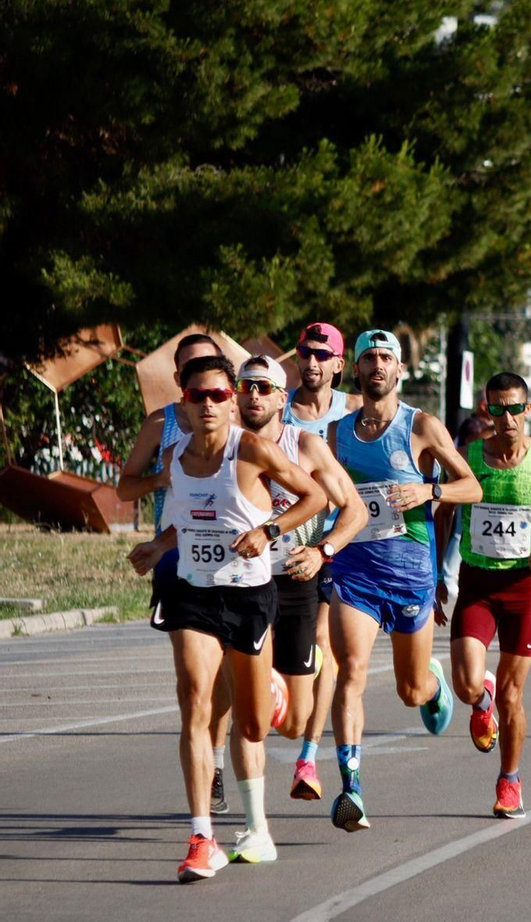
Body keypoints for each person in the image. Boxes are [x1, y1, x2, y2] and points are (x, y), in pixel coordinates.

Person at [126, 354, 327, 880]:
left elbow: (315, 496)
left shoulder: (253, 449)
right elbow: (190, 517)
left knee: (256, 723)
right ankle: (202, 838)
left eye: (220, 395)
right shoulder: (174, 457)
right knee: (195, 700)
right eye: (200, 396)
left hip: (250, 596)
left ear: (232, 398)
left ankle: (274, 700)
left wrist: (270, 531)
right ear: (184, 403)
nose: (211, 404)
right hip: (195, 594)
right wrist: (159, 544)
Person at [325, 329, 483, 833]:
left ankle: (434, 685)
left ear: (399, 371)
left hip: (411, 572)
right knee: (349, 670)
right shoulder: (338, 433)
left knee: (410, 692)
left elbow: (471, 487)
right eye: (368, 357)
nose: (376, 365)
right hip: (354, 571)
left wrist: (427, 490)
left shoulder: (422, 427)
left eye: (385, 358)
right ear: (356, 369)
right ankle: (352, 788)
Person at [434, 372, 531, 818]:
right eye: (497, 409)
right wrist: (437, 574)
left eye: (514, 408)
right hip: (477, 584)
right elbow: (443, 515)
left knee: (514, 696)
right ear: (487, 410)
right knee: (465, 683)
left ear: (528, 410)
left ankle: (510, 781)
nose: (507, 418)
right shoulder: (469, 456)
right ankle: (481, 703)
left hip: (523, 589)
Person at [232, 356, 364, 810]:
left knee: (294, 723)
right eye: (246, 386)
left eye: (264, 388)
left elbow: (355, 510)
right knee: (229, 706)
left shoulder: (305, 446)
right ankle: (242, 813)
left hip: (295, 581)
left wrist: (322, 551)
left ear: (281, 398)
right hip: (240, 586)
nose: (254, 395)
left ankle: (284, 679)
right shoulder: (223, 447)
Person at [117, 332, 237, 816]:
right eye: (192, 376)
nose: (203, 392)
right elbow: (125, 488)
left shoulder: (233, 417)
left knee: (227, 670)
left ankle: (219, 759)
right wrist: (160, 479)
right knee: (194, 677)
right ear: (178, 381)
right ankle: (203, 767)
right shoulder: (160, 423)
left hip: (233, 556)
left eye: (212, 377)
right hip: (176, 555)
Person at [284, 322, 360, 440]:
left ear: (338, 365)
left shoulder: (353, 411)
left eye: (322, 355)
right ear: (298, 358)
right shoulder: (277, 407)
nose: (311, 363)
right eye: (305, 352)